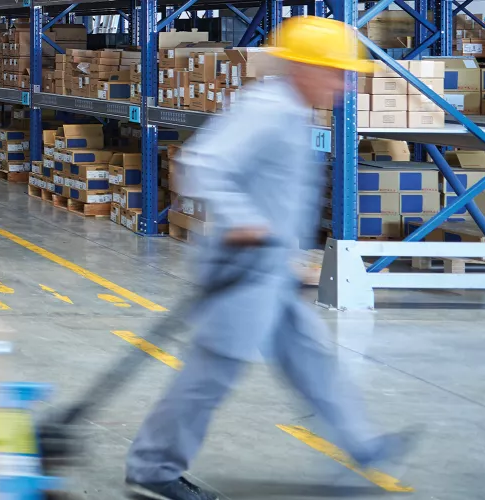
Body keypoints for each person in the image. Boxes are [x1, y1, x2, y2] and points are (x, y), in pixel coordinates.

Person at [123, 17, 417, 500]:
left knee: (313, 359)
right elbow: (201, 163)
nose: (345, 84)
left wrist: (288, 254)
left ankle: (363, 445)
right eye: (336, 73)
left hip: (269, 271)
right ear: (302, 67)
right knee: (209, 376)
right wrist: (244, 220)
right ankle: (153, 469)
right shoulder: (266, 108)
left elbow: (277, 192)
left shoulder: (291, 110)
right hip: (240, 271)